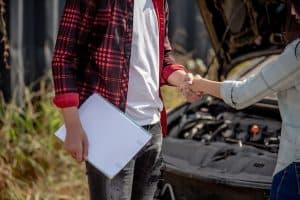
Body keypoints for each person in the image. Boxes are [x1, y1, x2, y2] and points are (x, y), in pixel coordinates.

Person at [51, 0, 200, 199]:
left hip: (152, 127)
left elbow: (162, 58)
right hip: (110, 127)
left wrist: (183, 80)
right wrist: (72, 124)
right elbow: (63, 58)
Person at [189, 1, 300, 199]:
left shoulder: (297, 55)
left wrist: (199, 83)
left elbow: (240, 96)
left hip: (295, 170)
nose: (291, 12)